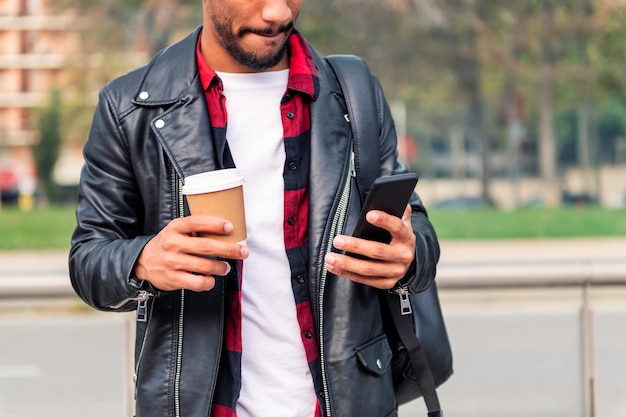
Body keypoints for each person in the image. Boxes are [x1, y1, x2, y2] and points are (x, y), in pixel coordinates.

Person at [69, 1, 440, 416]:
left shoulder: (354, 91)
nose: (279, 13)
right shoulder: (130, 108)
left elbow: (417, 231)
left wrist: (408, 256)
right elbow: (89, 258)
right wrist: (142, 261)